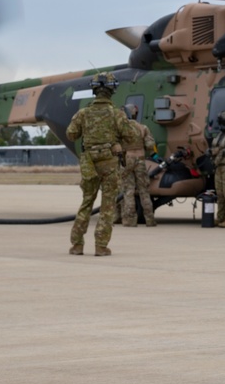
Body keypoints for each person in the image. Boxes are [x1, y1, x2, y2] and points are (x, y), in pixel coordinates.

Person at [65, 72, 133, 256]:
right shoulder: (117, 114)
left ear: (94, 90)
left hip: (89, 164)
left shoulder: (83, 113)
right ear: (112, 90)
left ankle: (77, 245)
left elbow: (71, 134)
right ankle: (101, 246)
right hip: (109, 163)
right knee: (108, 205)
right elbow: (131, 136)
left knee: (87, 202)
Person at [120, 103, 158, 227]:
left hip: (128, 159)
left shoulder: (122, 128)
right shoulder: (143, 128)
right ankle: (150, 220)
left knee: (129, 190)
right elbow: (150, 145)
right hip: (141, 159)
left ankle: (130, 221)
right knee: (144, 191)